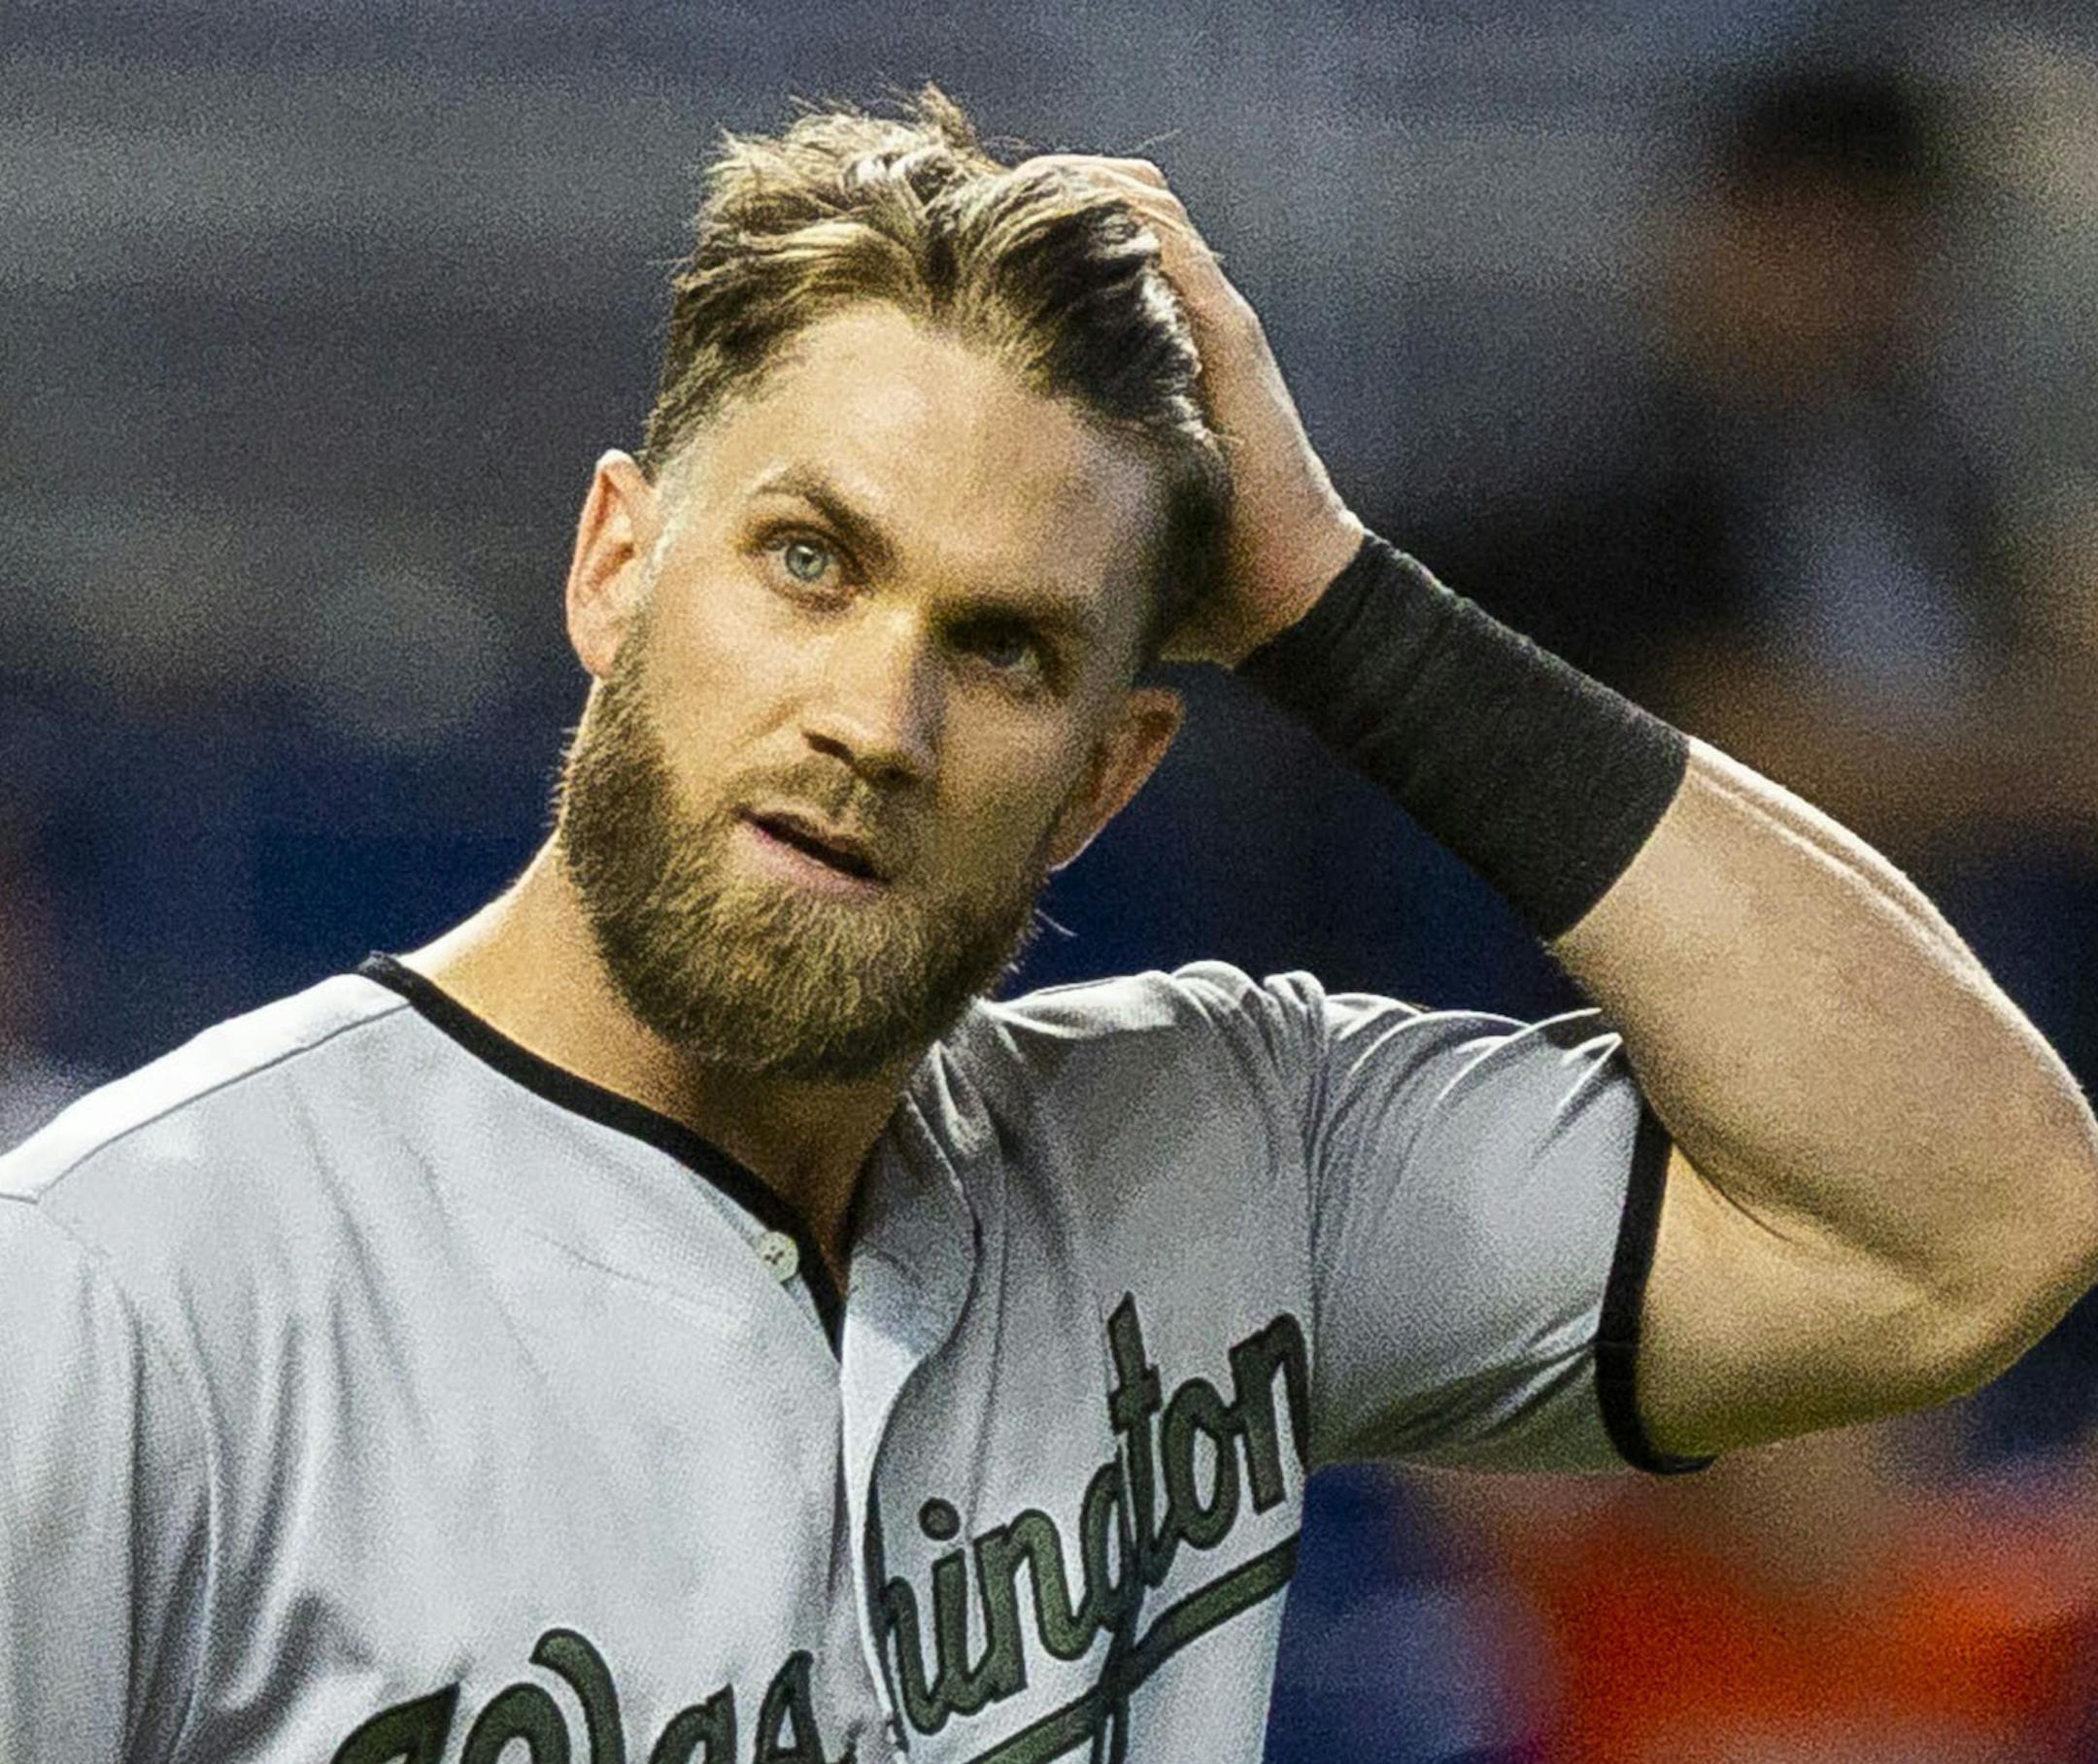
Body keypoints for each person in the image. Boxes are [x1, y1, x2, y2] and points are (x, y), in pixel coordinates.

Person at [4, 89, 2094, 1764]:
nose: (877, 717)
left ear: (1110, 772)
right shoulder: (125, 1290)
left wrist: (1335, 602)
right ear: (615, 564)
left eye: (1006, 651)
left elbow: (1967, 1215)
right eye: (810, 559)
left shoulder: (1230, 1155)